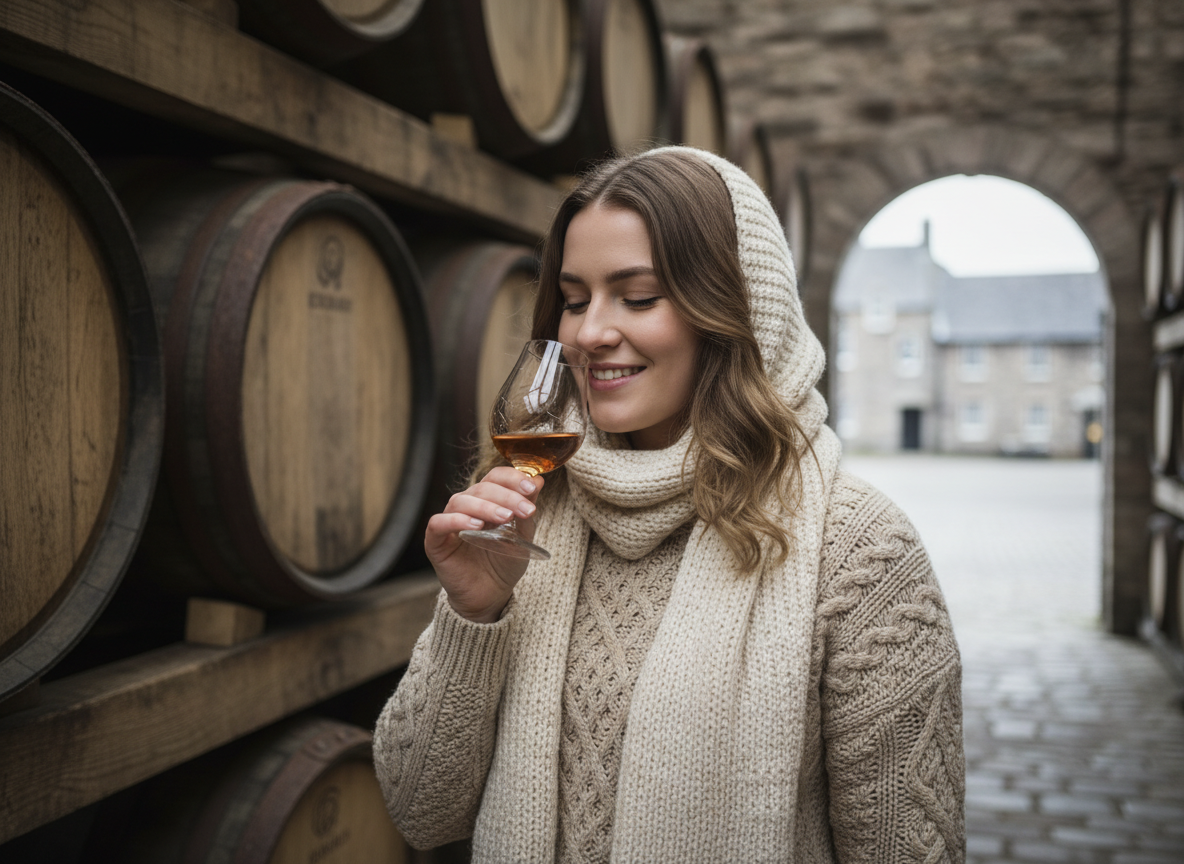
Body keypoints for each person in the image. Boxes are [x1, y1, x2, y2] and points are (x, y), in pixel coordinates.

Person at [374, 147, 965, 863]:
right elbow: (417, 809)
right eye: (573, 298)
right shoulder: (533, 508)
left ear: (733, 310)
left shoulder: (860, 550)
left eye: (639, 295)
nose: (590, 333)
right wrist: (473, 614)